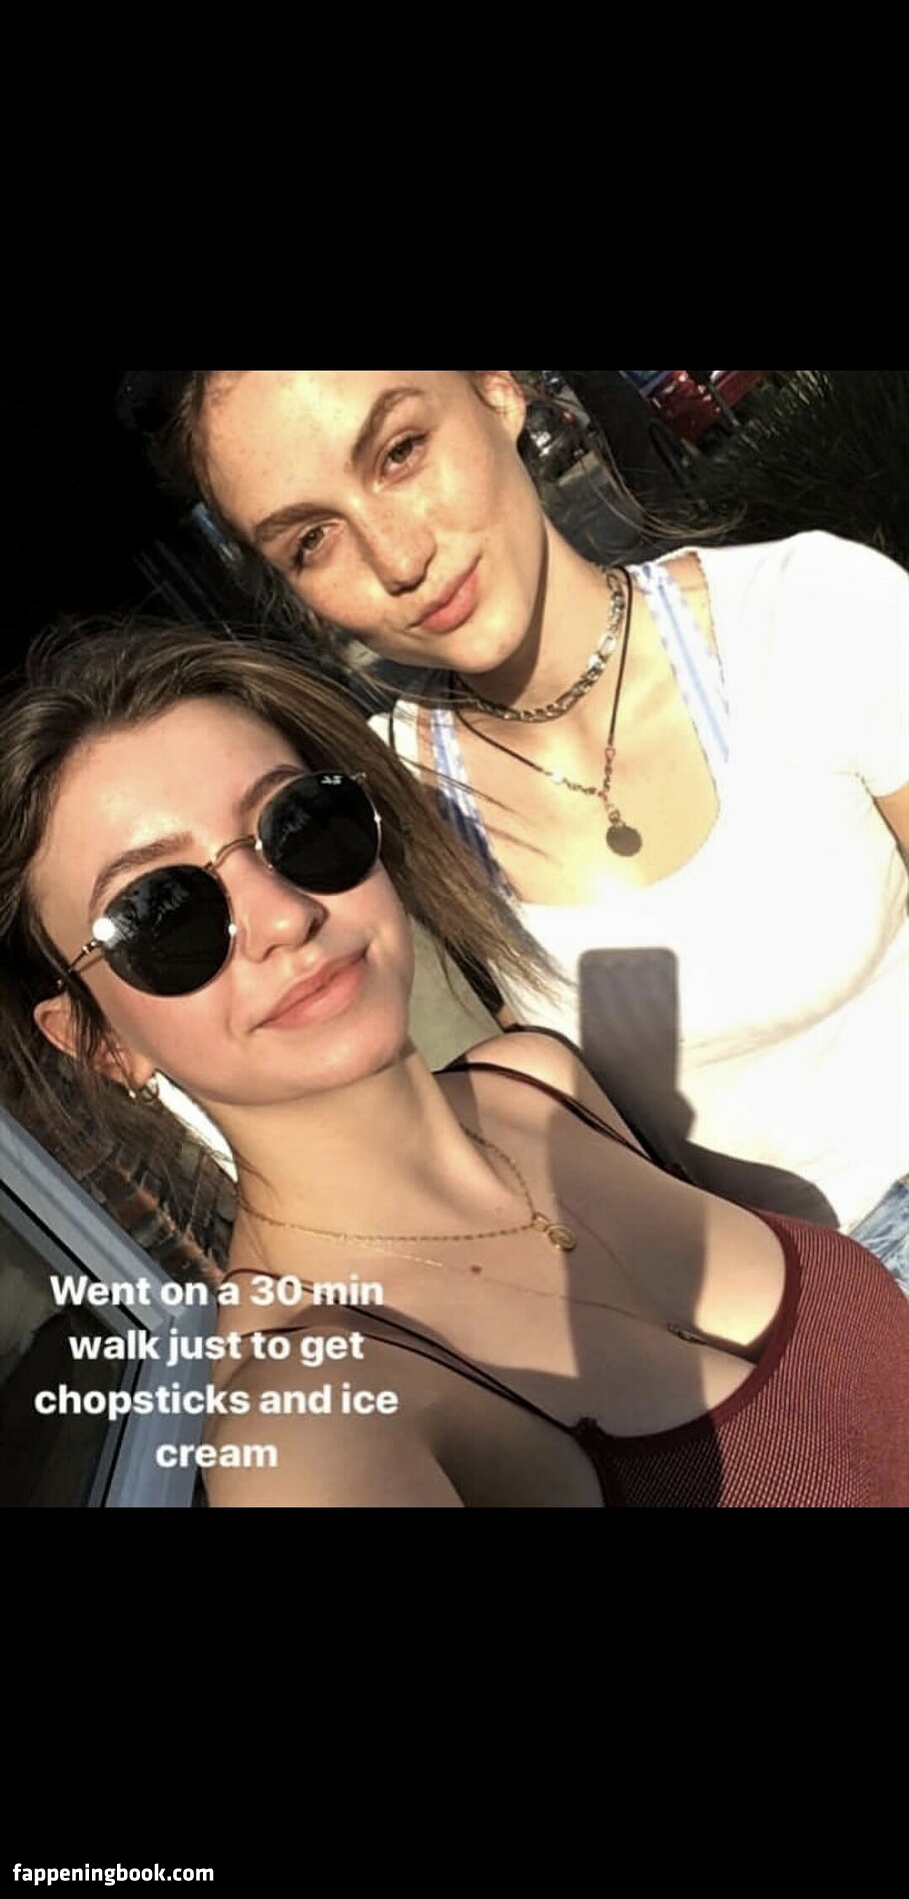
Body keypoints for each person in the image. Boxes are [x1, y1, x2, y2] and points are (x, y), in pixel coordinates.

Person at [2, 619, 908, 1508]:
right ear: (100, 1041)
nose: (284, 915)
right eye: (162, 913)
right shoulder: (306, 1429)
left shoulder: (541, 1083)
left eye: (297, 824)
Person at [141, 370, 909, 1284]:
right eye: (312, 540)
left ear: (499, 392)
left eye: (400, 452)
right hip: (779, 1300)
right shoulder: (382, 824)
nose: (398, 557)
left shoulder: (807, 613)